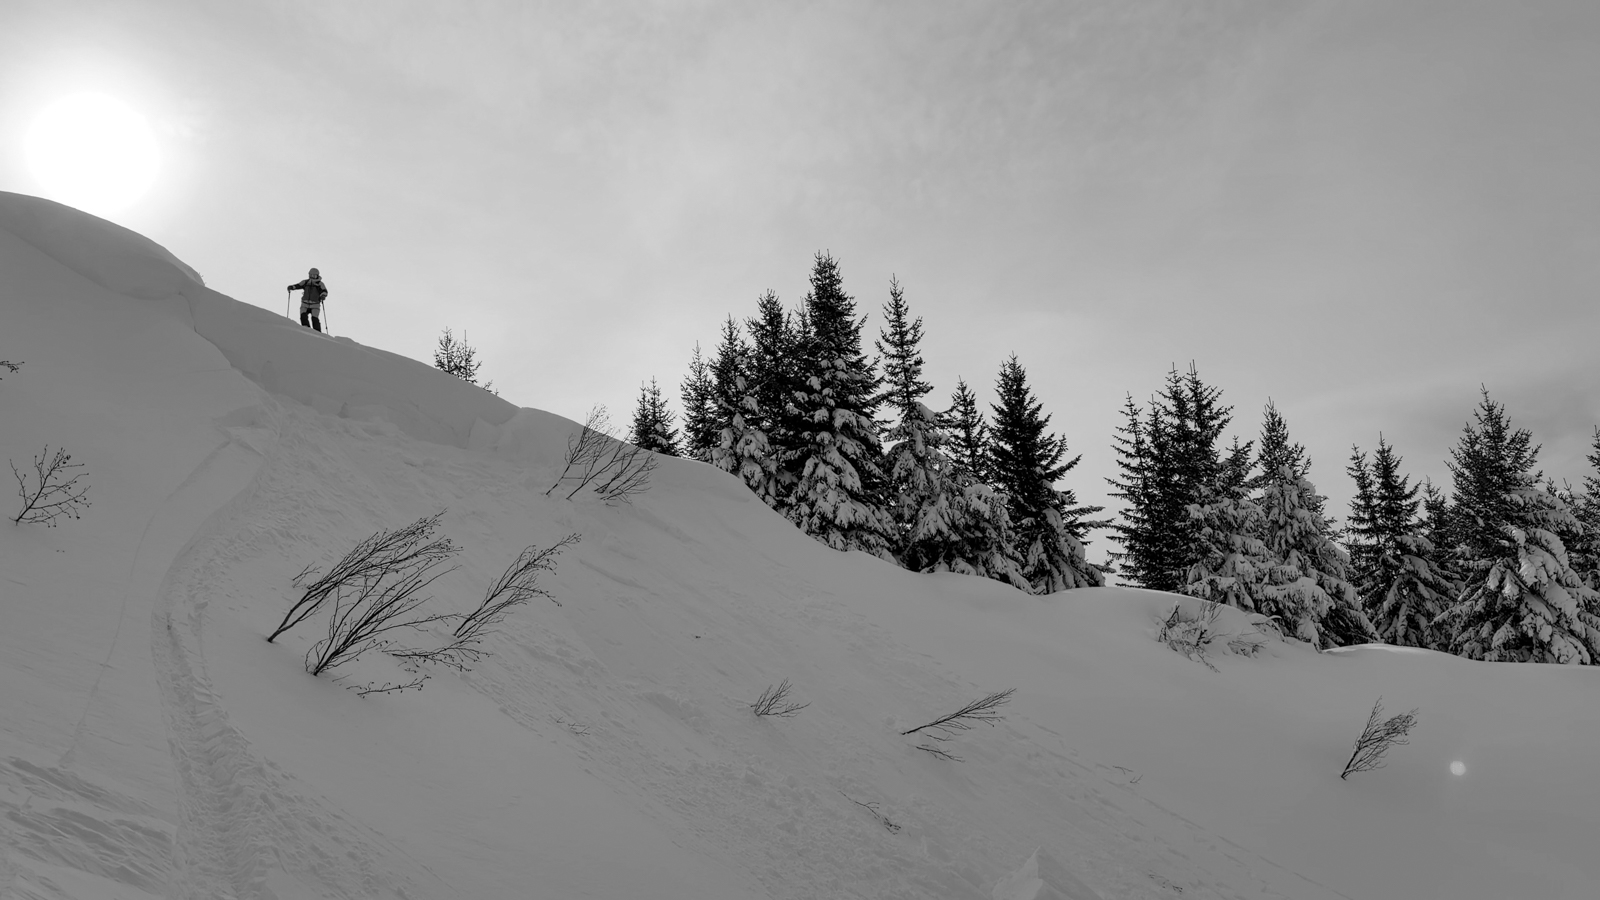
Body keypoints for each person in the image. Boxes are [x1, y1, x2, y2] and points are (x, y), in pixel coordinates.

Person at [287, 268, 329, 332]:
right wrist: (292, 287)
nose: (312, 277)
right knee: (303, 316)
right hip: (305, 304)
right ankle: (306, 329)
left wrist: (323, 295)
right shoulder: (306, 282)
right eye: (311, 275)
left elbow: (324, 291)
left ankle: (317, 332)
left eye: (314, 276)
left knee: (314, 318)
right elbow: (298, 285)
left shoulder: (320, 284)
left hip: (315, 305)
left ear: (317, 276)